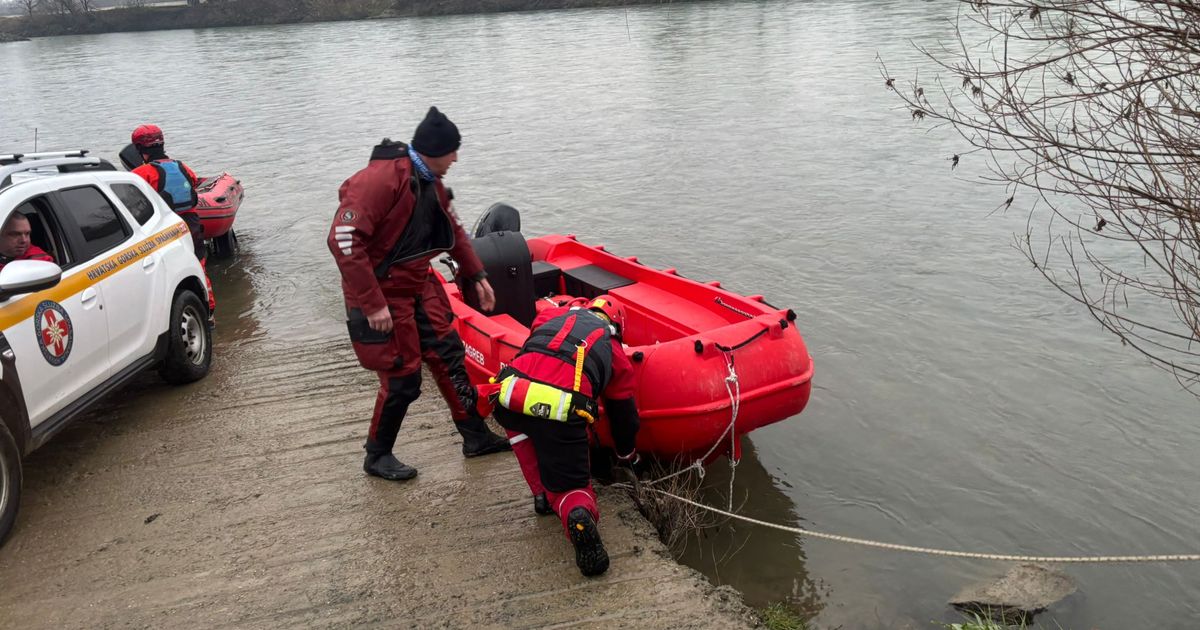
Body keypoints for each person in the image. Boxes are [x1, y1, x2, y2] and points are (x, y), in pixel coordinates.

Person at [327, 106, 511, 483]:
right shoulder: (379, 182)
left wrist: (477, 274)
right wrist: (372, 303)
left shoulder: (432, 183)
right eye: (452, 152)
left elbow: (455, 231)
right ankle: (377, 456)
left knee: (449, 355)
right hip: (382, 290)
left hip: (417, 282)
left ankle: (475, 437)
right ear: (433, 150)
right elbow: (343, 240)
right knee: (402, 379)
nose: (456, 159)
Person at [482, 295, 642, 577]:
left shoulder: (550, 318)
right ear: (617, 325)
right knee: (573, 488)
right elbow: (623, 414)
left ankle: (542, 496)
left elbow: (537, 340)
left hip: (510, 393)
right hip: (561, 409)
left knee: (521, 433)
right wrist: (626, 454)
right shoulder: (612, 348)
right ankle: (576, 513)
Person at [129, 124, 216, 316]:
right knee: (199, 266)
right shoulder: (182, 166)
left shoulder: (140, 175)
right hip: (191, 225)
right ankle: (209, 312)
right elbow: (193, 182)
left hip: (164, 230)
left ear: (139, 149)